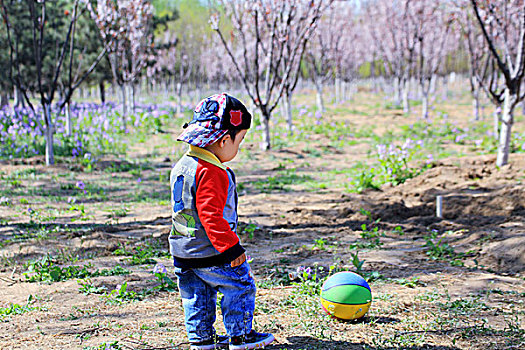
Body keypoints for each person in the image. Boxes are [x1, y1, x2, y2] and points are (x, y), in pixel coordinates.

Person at [169, 93, 275, 350]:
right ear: (225, 139)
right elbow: (211, 217)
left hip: (184, 250)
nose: (239, 148)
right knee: (239, 284)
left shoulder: (183, 165)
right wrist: (231, 249)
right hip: (213, 251)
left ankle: (201, 339)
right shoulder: (212, 172)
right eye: (240, 140)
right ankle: (240, 337)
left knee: (197, 295)